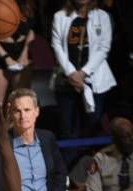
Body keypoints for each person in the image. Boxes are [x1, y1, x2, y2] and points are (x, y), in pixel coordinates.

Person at [51, 0, 116, 157]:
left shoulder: (102, 16)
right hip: (66, 81)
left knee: (93, 124)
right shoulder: (59, 16)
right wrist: (72, 73)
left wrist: (84, 72)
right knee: (68, 129)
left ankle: (95, 167)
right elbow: (56, 45)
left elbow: (104, 47)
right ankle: (70, 172)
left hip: (95, 80)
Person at [85, 117, 133, 191]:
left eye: (132, 134)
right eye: (125, 137)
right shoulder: (101, 159)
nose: (131, 138)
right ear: (114, 139)